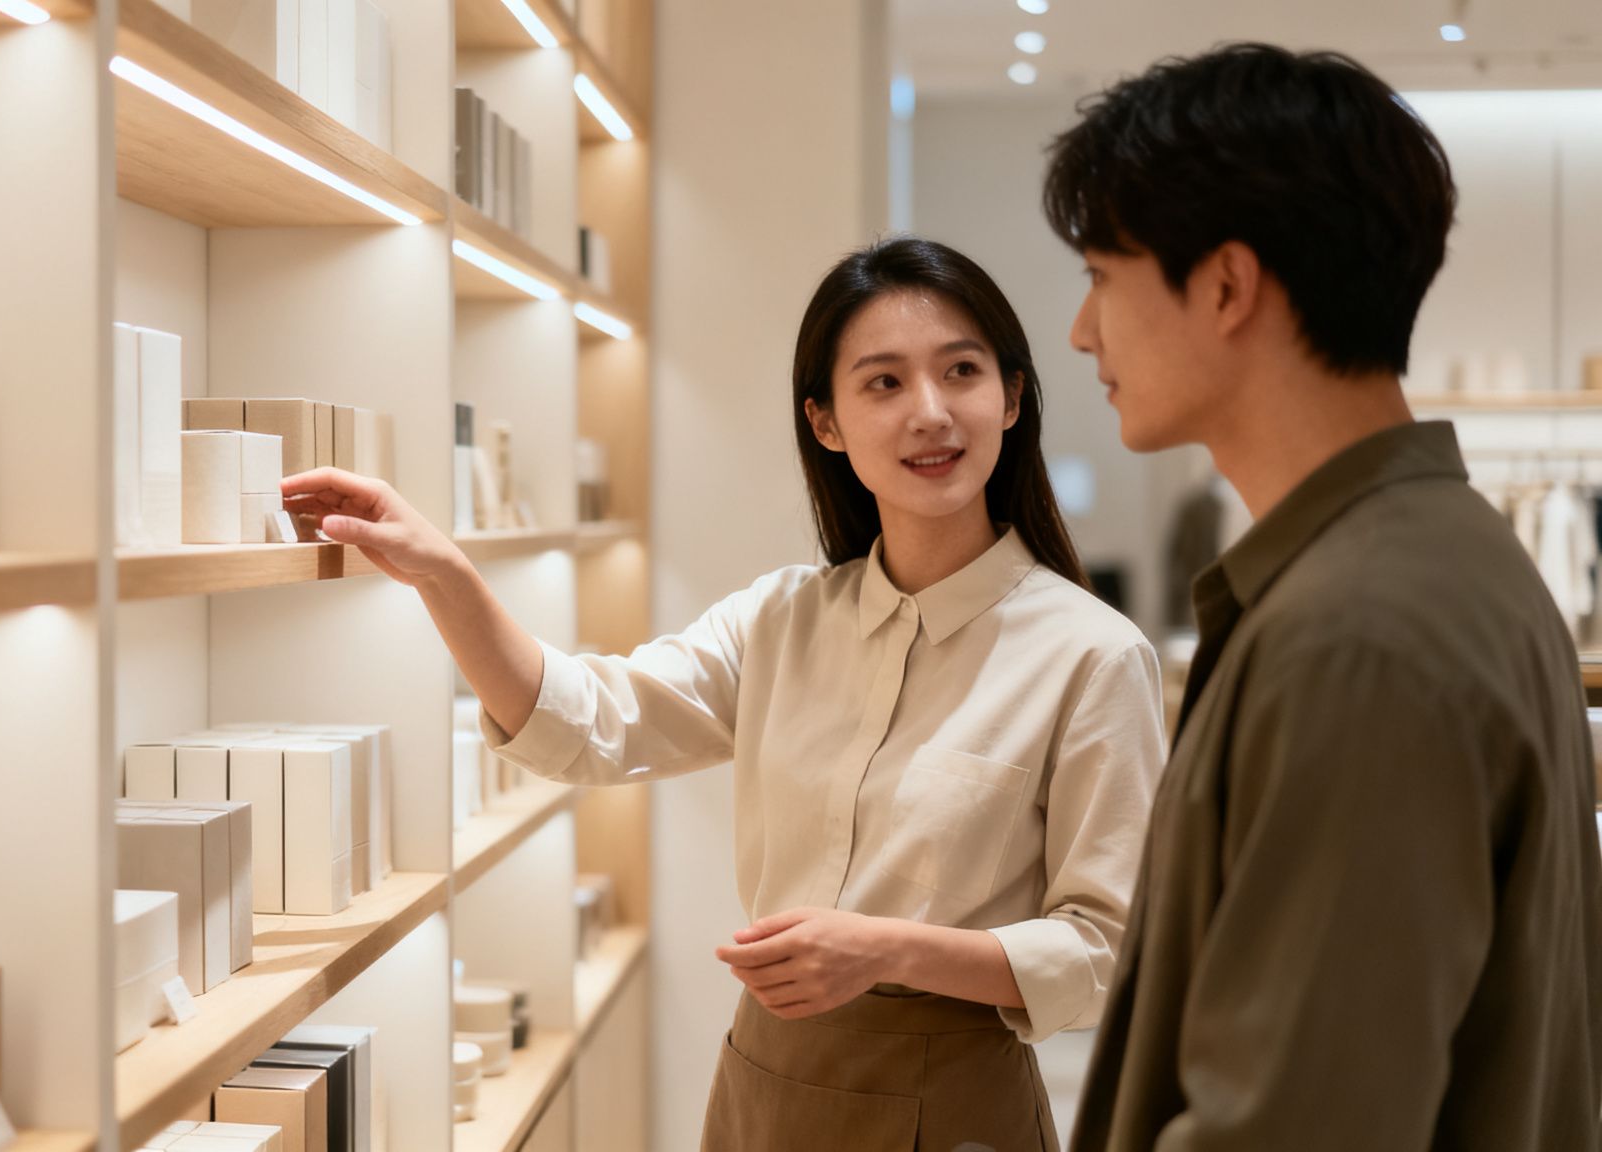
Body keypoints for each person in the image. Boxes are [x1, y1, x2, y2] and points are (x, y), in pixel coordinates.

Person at [284, 237, 1166, 1152]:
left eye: (962, 371)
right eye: (884, 383)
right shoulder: (780, 619)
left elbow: (1112, 951)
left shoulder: (1094, 656)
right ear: (824, 422)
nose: (931, 412)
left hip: (952, 1102)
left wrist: (889, 949)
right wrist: (444, 575)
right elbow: (586, 725)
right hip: (761, 1081)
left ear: (1013, 398)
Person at [1043, 43, 1602, 1150]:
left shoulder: (1357, 637)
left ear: (1224, 284)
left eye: (1101, 276)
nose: (1080, 331)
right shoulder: (1444, 558)